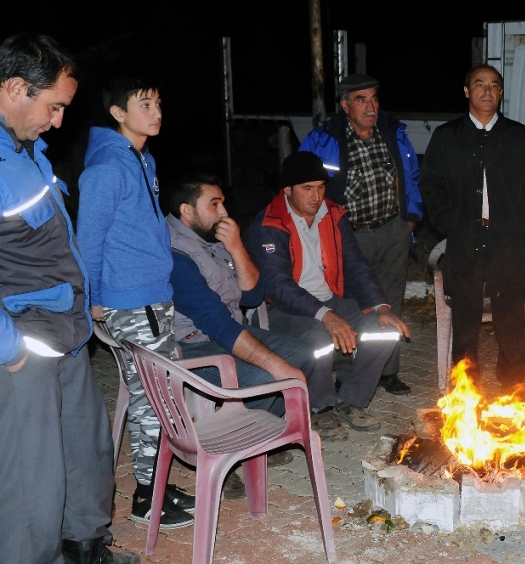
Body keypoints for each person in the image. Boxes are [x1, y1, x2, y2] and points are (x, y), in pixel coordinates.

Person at [0, 33, 138, 564]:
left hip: (68, 329)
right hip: (24, 341)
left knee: (85, 450)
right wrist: (9, 348)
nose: (59, 121)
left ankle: (85, 547)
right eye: (53, 106)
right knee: (30, 479)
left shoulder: (29, 150)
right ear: (15, 88)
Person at [76, 75, 194, 529]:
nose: (157, 111)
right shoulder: (108, 167)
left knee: (160, 394)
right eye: (145, 103)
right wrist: (96, 298)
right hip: (130, 300)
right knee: (151, 398)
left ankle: (159, 481)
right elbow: (89, 238)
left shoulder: (141, 160)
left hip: (152, 296)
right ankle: (147, 498)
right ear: (118, 113)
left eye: (159, 103)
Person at [248, 152, 409, 434]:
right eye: (307, 188)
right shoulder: (269, 224)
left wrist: (381, 305)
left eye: (321, 187)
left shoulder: (333, 215)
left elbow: (356, 264)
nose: (316, 196)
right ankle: (320, 408)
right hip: (283, 309)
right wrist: (326, 315)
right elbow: (277, 286)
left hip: (329, 299)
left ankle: (351, 400)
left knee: (385, 329)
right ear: (287, 190)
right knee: (319, 339)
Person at [166, 173, 328, 446]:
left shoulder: (210, 239)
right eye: (214, 204)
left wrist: (237, 247)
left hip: (227, 330)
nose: (224, 212)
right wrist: (277, 366)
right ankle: (227, 445)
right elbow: (215, 322)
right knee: (266, 377)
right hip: (191, 344)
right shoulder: (174, 253)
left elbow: (252, 295)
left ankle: (259, 436)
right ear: (187, 210)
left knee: (304, 354)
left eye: (223, 203)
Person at [419, 64, 525, 394]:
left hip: (508, 244)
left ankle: (516, 392)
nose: (487, 91)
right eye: (479, 84)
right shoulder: (447, 138)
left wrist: (518, 227)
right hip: (464, 245)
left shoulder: (520, 137)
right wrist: (451, 225)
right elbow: (431, 184)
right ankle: (466, 395)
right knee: (465, 324)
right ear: (467, 91)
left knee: (510, 323)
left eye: (494, 85)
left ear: (501, 92)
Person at [299, 73, 422, 395]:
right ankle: (347, 371)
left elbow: (411, 176)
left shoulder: (392, 132)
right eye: (361, 100)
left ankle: (387, 371)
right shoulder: (323, 139)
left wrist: (410, 218)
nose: (371, 106)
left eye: (374, 98)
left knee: (390, 303)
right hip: (347, 238)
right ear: (344, 104)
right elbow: (302, 184)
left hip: (391, 231)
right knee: (349, 304)